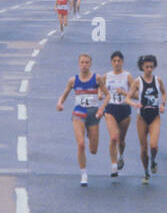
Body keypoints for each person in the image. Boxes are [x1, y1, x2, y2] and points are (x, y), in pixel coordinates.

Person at [56, 53, 109, 186]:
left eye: (87, 62)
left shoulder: (97, 79)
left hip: (93, 114)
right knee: (80, 144)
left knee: (93, 150)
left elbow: (108, 96)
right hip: (78, 113)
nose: (84, 65)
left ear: (90, 64)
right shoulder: (73, 80)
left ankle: (90, 135)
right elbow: (64, 95)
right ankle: (83, 173)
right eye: (82, 62)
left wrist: (102, 109)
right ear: (78, 64)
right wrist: (60, 103)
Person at [126, 53, 166, 184]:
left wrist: (162, 104)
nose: (149, 69)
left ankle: (153, 161)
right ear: (142, 67)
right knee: (143, 148)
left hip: (155, 116)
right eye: (147, 67)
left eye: (151, 67)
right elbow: (128, 97)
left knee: (153, 145)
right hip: (142, 117)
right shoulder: (138, 82)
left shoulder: (157, 80)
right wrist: (134, 104)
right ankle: (146, 172)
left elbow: (164, 93)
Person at [98, 51, 135, 176]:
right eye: (114, 61)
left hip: (124, 109)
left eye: (119, 61)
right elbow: (99, 84)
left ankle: (121, 155)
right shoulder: (107, 76)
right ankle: (113, 165)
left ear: (122, 62)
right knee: (114, 137)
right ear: (111, 62)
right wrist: (99, 93)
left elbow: (136, 94)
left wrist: (124, 93)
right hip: (111, 109)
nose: (117, 63)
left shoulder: (127, 76)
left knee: (121, 140)